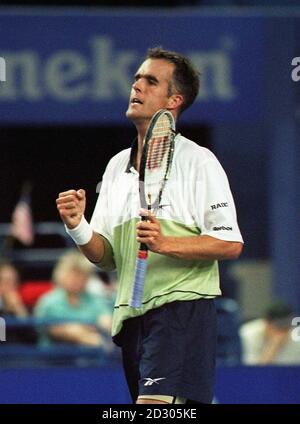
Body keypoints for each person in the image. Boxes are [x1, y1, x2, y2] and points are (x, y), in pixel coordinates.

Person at [56, 47, 244, 404]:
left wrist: (165, 243)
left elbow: (230, 243)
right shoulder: (115, 167)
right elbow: (105, 256)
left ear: (174, 100)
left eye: (150, 81)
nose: (136, 86)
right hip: (131, 315)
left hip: (181, 308)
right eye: (137, 78)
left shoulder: (200, 162)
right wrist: (77, 225)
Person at [34, 250, 113, 349]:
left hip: (92, 357)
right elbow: (50, 329)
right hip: (55, 357)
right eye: (72, 275)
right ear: (60, 275)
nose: (75, 280)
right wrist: (81, 333)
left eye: (81, 275)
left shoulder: (96, 301)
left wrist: (103, 325)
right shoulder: (48, 301)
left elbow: (106, 321)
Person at [240, 300, 300, 365]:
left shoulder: (296, 336)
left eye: (285, 329)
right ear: (266, 323)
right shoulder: (247, 334)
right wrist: (272, 347)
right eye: (278, 327)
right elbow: (251, 371)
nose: (281, 333)